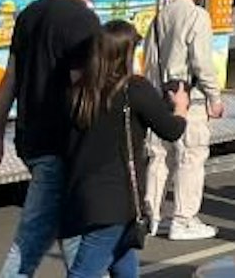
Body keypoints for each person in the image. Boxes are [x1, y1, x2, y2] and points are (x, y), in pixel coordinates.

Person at [0, 0, 124, 278]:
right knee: (30, 245)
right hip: (63, 146)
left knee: (76, 236)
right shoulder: (82, 22)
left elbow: (11, 78)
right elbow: (87, 86)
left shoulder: (31, 13)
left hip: (32, 142)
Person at [62, 19, 190, 278]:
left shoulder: (80, 91)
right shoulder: (134, 89)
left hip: (82, 194)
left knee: (124, 263)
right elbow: (171, 129)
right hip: (116, 200)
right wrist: (180, 107)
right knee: (83, 272)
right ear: (127, 54)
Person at [143, 0, 226, 242]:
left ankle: (151, 214)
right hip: (187, 96)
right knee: (191, 156)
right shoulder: (197, 16)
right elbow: (201, 62)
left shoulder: (160, 16)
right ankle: (184, 219)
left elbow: (150, 59)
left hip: (159, 93)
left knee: (159, 156)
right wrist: (214, 96)